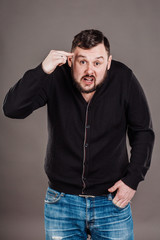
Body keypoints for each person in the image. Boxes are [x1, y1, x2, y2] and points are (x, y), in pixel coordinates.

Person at [3, 29, 155, 240]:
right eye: (82, 62)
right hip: (62, 203)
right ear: (71, 60)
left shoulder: (124, 78)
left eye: (98, 63)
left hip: (111, 202)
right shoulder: (55, 76)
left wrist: (132, 180)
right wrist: (42, 70)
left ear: (109, 62)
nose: (90, 70)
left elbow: (143, 132)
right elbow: (12, 109)